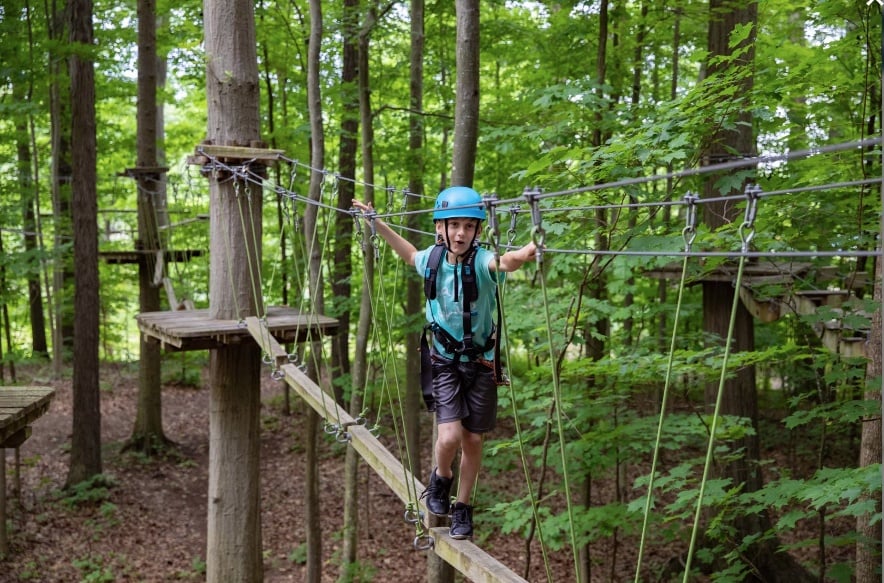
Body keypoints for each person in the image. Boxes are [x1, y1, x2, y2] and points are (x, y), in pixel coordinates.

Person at [352, 186, 537, 540]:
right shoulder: (432, 261)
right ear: (440, 228)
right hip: (444, 362)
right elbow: (408, 254)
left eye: (469, 226)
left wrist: (528, 251)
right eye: (454, 226)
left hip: (480, 364)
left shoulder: (483, 263)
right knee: (449, 436)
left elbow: (506, 262)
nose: (461, 233)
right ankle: (442, 477)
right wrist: (376, 223)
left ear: (477, 231)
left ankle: (463, 507)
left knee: (473, 441)